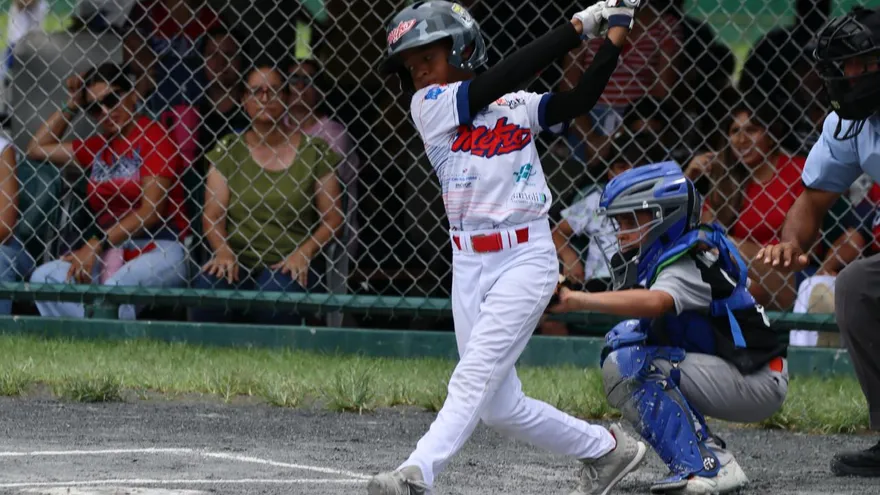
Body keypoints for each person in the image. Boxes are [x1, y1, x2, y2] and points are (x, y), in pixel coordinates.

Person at [369, 2, 648, 495]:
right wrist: (576, 27)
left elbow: (579, 100)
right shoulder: (429, 105)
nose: (419, 73)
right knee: (500, 407)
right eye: (411, 67)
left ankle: (417, 472)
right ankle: (607, 449)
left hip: (526, 256)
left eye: (428, 58)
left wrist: (614, 33)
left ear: (461, 48)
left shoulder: (516, 104)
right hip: (468, 261)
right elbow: (499, 78)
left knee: (473, 372)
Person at [550, 162, 788, 494]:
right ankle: (708, 453)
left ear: (666, 217)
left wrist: (577, 300)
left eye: (631, 221)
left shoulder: (685, 261)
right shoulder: (684, 250)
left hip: (756, 379)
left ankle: (710, 465)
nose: (621, 232)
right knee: (628, 338)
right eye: (620, 222)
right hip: (747, 369)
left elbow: (657, 302)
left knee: (627, 363)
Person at [757, 5, 880, 477]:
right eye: (842, 65)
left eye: (860, 63)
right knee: (856, 286)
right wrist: (791, 241)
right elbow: (812, 200)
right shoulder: (851, 124)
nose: (847, 75)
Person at [25, 63, 188, 320]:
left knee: (115, 289)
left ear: (131, 94)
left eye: (112, 100)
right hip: (109, 251)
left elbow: (151, 211)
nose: (105, 112)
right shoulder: (98, 146)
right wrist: (73, 104)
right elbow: (36, 148)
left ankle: (100, 334)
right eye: (94, 108)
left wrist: (95, 243)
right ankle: (96, 334)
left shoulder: (155, 136)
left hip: (160, 247)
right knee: (44, 277)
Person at [191, 60, 344, 325]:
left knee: (274, 298)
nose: (265, 98)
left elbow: (333, 218)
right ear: (243, 100)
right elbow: (212, 215)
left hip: (289, 262)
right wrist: (223, 251)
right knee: (208, 291)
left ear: (286, 98)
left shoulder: (314, 151)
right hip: (237, 259)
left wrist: (303, 253)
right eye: (256, 91)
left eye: (273, 91)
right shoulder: (227, 150)